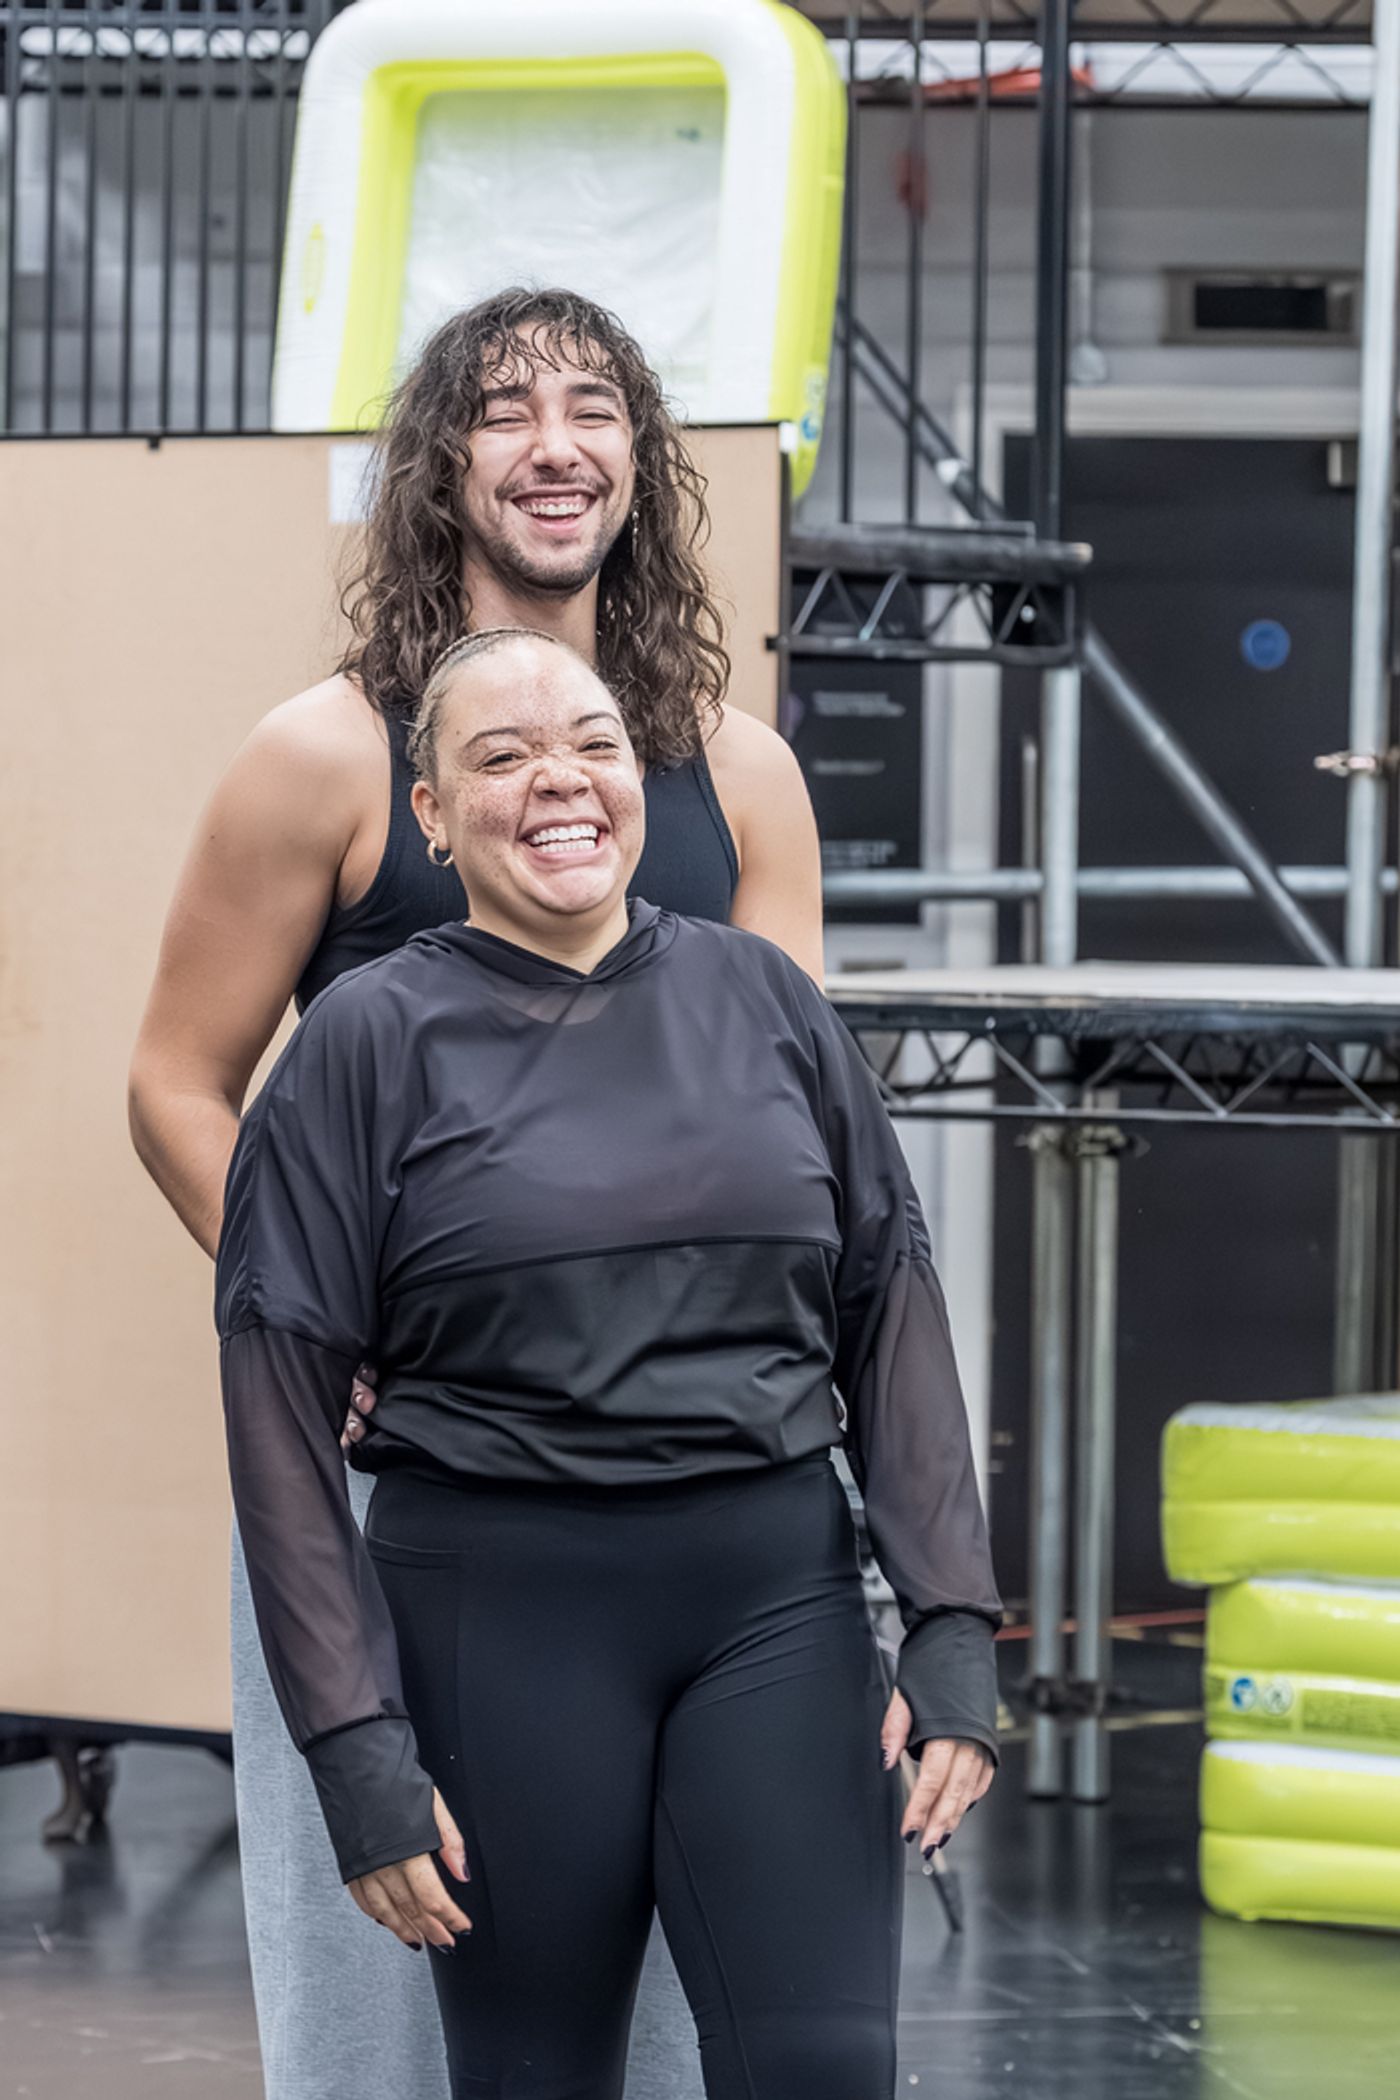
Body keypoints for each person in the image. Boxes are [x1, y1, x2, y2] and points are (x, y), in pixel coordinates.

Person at [127, 288, 821, 2100]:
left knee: (667, 2020)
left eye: (595, 408)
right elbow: (177, 1085)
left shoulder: (738, 776)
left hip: (675, 1494)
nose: (555, 443)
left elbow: (804, 1133)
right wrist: (314, 1329)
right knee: (385, 1991)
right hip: (396, 1483)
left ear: (642, 469)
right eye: (504, 410)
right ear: (441, 469)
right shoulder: (331, 755)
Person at [217, 626, 1002, 2100]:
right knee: (537, 2079)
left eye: (591, 745)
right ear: (433, 817)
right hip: (500, 1625)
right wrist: (353, 1744)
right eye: (500, 758)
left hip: (776, 1606)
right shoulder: (358, 1050)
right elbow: (275, 1413)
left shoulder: (769, 1005)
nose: (559, 783)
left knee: (825, 2070)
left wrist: (954, 1618)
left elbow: (890, 1296)